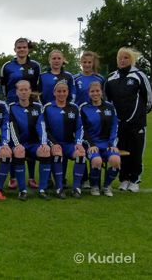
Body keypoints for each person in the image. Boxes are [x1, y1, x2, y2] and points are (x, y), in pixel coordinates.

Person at [105, 47, 152, 192]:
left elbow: (149, 98)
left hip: (136, 124)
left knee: (136, 152)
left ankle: (135, 179)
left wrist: (139, 114)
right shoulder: (111, 78)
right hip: (119, 125)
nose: (122, 60)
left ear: (131, 60)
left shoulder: (139, 76)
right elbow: (108, 101)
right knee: (121, 152)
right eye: (120, 57)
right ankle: (124, 179)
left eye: (125, 58)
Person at [0, 38, 41, 189]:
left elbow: (37, 85)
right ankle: (13, 178)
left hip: (30, 106)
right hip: (13, 105)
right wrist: (9, 101)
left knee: (31, 138)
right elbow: (4, 86)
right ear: (15, 49)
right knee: (13, 139)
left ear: (27, 49)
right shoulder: (7, 66)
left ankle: (31, 176)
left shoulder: (35, 65)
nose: (22, 50)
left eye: (24, 47)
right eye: (19, 47)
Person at [38, 49, 77, 189]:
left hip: (64, 113)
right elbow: (38, 95)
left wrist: (66, 107)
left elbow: (72, 94)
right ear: (49, 60)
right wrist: (45, 108)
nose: (56, 61)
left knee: (63, 143)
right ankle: (48, 178)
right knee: (49, 144)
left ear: (62, 60)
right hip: (48, 112)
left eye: (59, 58)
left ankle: (62, 178)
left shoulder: (68, 76)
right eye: (53, 58)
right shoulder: (43, 76)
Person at [8, 80, 52, 200]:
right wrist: (17, 144)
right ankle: (22, 190)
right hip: (19, 144)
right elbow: (13, 128)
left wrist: (44, 143)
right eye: (21, 90)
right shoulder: (12, 108)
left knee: (45, 151)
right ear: (17, 92)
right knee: (18, 152)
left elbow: (41, 126)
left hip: (33, 144)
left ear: (30, 91)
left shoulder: (38, 107)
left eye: (26, 89)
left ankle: (43, 189)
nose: (23, 92)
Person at [42, 81, 86, 199]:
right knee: (57, 154)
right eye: (59, 91)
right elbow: (44, 129)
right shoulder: (48, 107)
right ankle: (59, 187)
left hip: (69, 144)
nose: (62, 94)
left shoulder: (74, 108)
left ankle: (76, 187)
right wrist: (53, 143)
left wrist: (78, 143)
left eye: (64, 91)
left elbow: (79, 127)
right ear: (54, 92)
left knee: (81, 155)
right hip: (54, 144)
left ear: (68, 93)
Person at [80, 82, 120, 197]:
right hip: (91, 144)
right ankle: (94, 186)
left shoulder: (110, 107)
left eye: (97, 91)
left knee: (116, 161)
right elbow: (83, 129)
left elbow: (114, 127)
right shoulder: (84, 107)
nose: (95, 93)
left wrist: (112, 144)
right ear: (89, 93)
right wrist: (91, 144)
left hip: (107, 144)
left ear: (101, 92)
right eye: (92, 91)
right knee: (97, 161)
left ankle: (106, 186)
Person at [73, 51, 105, 189]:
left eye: (89, 62)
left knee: (93, 144)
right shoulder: (75, 78)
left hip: (96, 118)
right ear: (81, 62)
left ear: (93, 63)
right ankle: (84, 179)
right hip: (80, 118)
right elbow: (73, 99)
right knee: (81, 146)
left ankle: (95, 178)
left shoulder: (100, 78)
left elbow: (105, 99)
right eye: (84, 62)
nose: (87, 65)